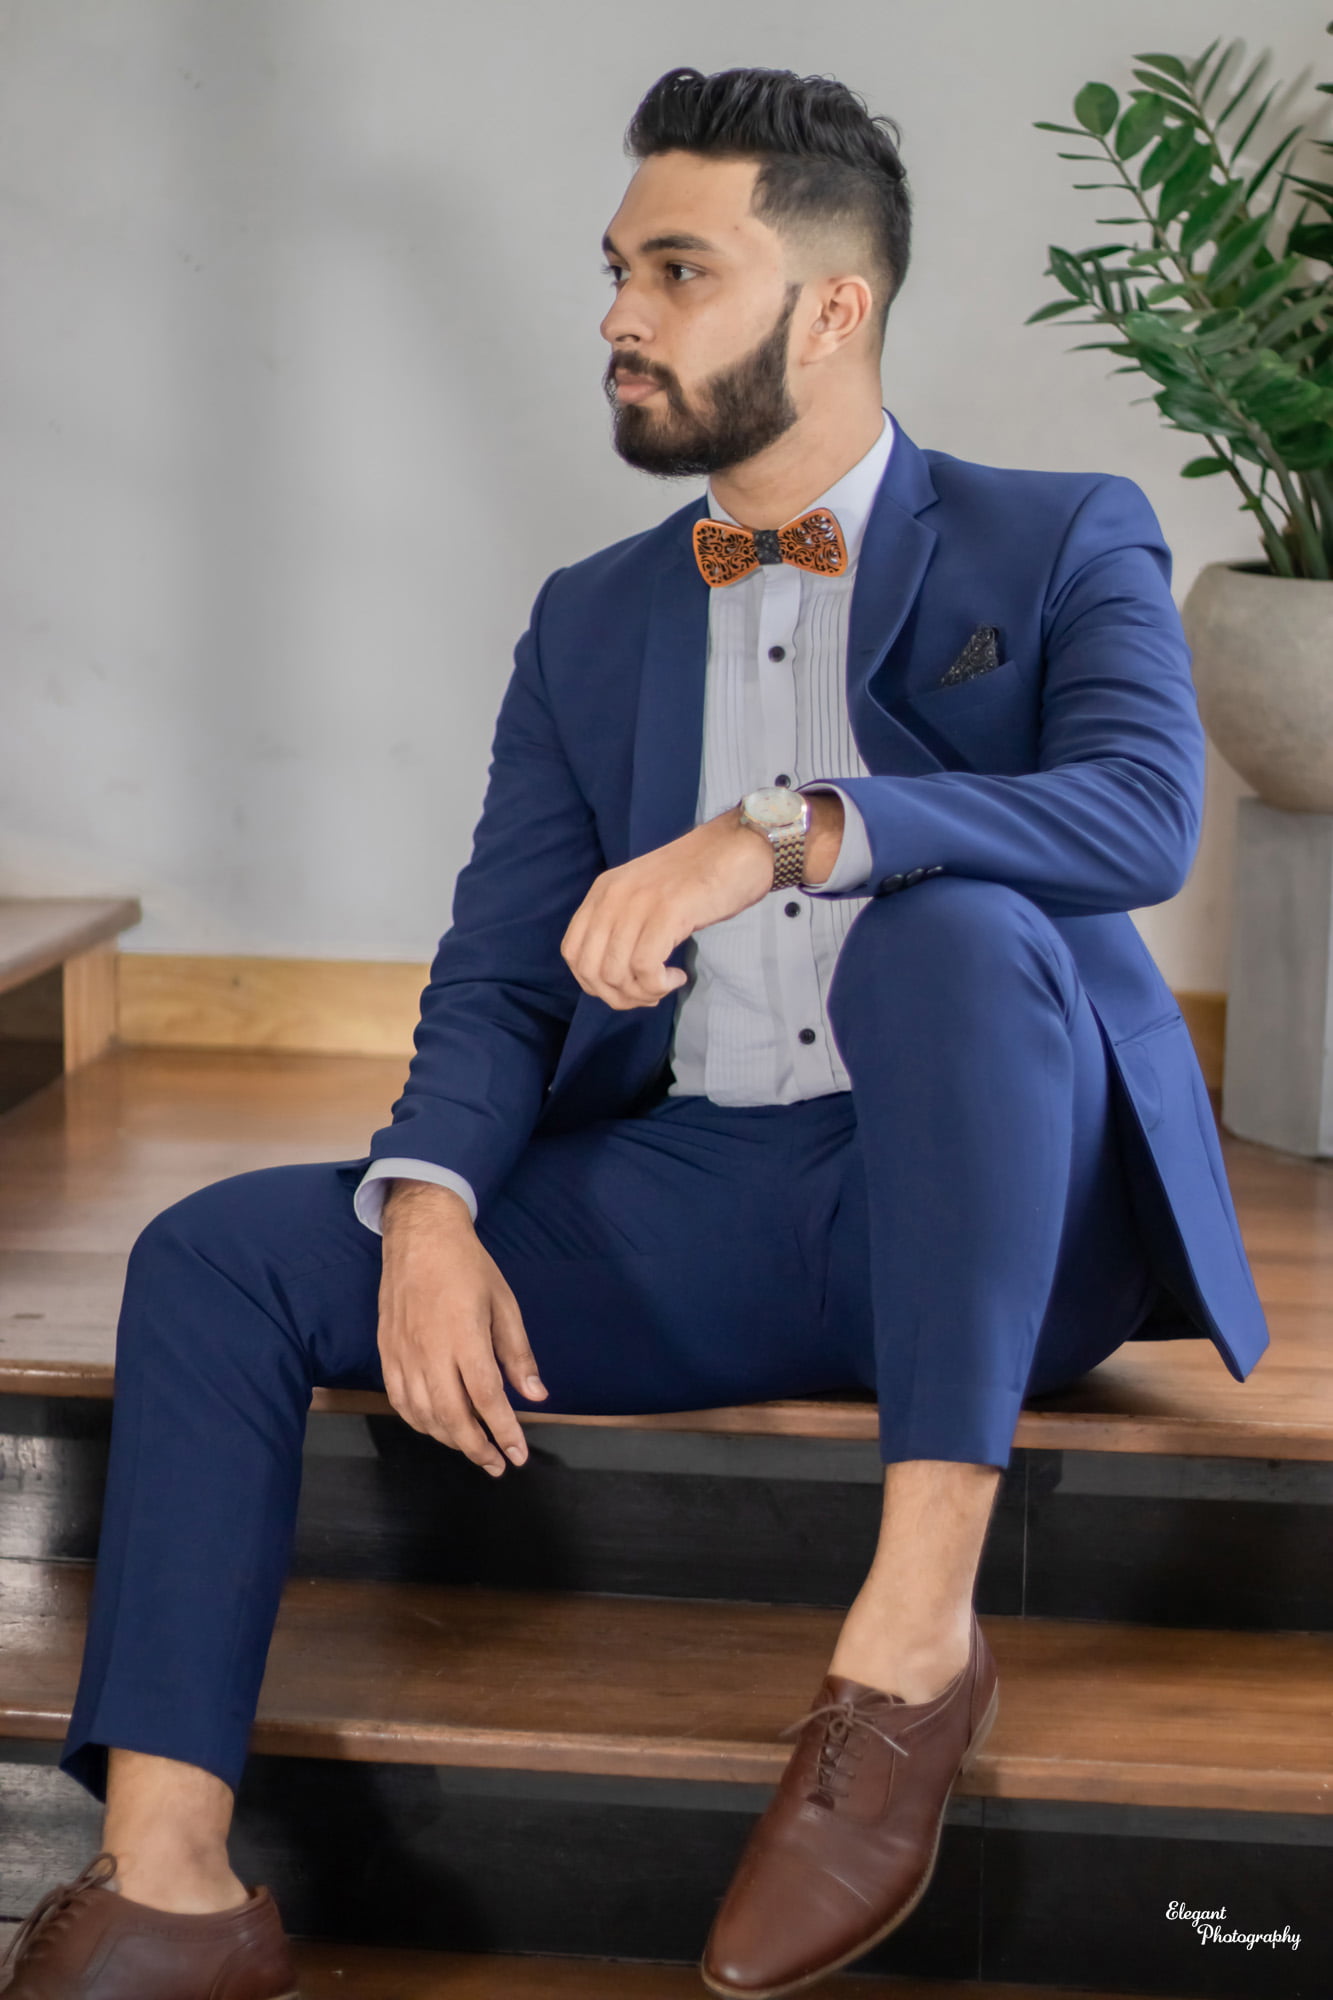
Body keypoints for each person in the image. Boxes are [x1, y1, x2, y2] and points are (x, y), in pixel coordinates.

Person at [2, 62, 1268, 2000]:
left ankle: (910, 1644)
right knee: (218, 1255)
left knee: (938, 935)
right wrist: (430, 1207)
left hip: (1001, 1217)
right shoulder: (591, 618)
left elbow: (1137, 815)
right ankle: (169, 1878)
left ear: (830, 308)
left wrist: (780, 830)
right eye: (615, 269)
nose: (619, 313)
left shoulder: (1055, 533)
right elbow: (503, 966)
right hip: (706, 1195)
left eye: (678, 270)